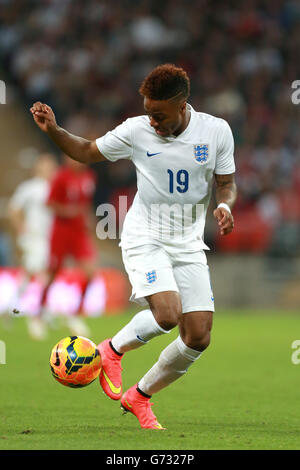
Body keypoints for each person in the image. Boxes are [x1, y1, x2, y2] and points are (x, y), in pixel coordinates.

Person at [30, 64, 237, 429]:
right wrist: (55, 131)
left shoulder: (216, 131)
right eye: (148, 113)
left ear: (182, 103)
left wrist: (224, 205)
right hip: (146, 236)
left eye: (159, 115)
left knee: (199, 336)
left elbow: (226, 182)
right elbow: (87, 151)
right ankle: (111, 350)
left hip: (188, 242)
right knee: (168, 314)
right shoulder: (136, 131)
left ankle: (139, 397)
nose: (152, 121)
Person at [43, 154, 98, 336]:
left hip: (79, 233)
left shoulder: (89, 177)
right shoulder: (61, 177)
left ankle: (75, 314)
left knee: (90, 273)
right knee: (53, 272)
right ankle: (40, 311)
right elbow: (50, 203)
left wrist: (88, 218)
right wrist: (67, 211)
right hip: (61, 231)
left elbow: (85, 203)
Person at [8, 152, 58, 339]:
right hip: (34, 238)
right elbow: (13, 209)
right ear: (38, 168)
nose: (48, 168)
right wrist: (21, 230)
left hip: (50, 238)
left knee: (29, 275)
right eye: (45, 165)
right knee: (43, 275)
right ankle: (37, 317)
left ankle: (11, 310)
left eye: (50, 165)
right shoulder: (29, 188)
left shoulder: (55, 186)